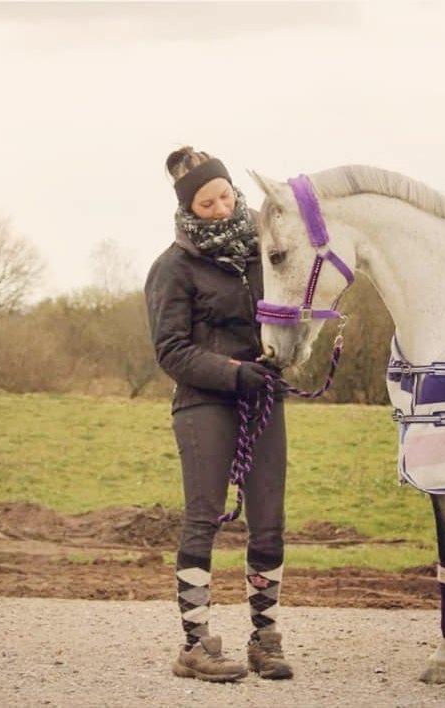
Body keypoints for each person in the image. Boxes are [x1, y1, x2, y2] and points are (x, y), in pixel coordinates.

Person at [144, 146, 292, 682]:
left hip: (263, 400)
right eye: (207, 203)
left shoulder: (265, 251)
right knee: (203, 518)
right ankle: (195, 645)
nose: (222, 209)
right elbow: (171, 350)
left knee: (269, 523)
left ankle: (265, 638)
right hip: (205, 401)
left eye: (225, 196)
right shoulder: (173, 268)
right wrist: (233, 373)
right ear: (189, 206)